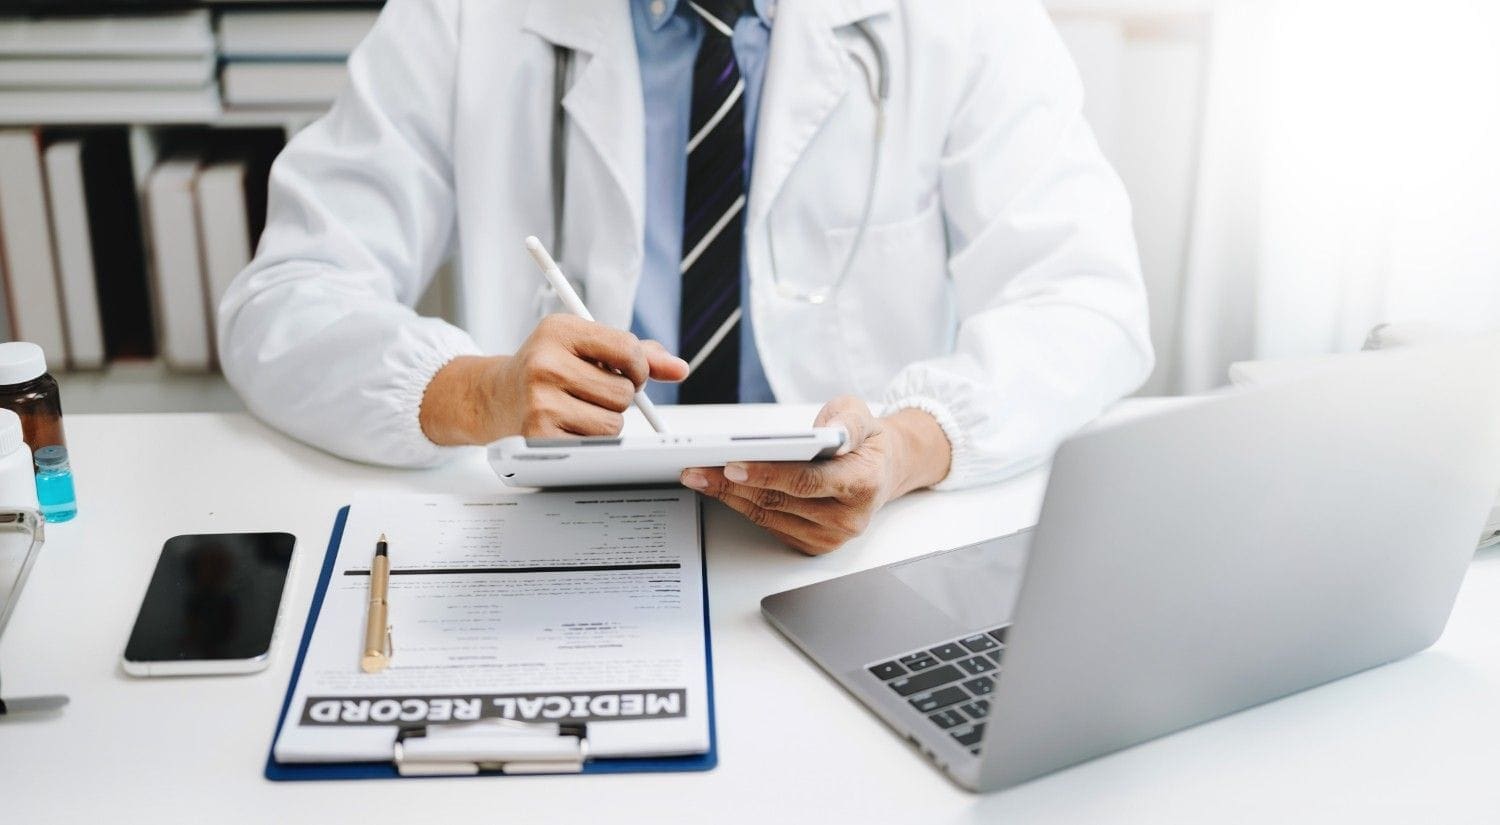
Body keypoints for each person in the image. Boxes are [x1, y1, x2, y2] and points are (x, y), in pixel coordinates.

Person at [218, 0, 1153, 554]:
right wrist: (482, 391)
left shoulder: (960, 18)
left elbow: (1086, 297)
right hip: (552, 541)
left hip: (848, 546)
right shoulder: (464, 15)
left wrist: (911, 445)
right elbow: (286, 300)